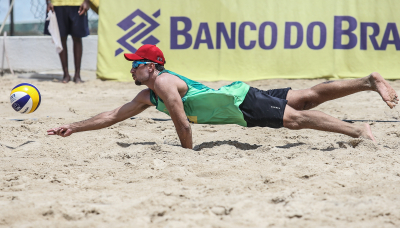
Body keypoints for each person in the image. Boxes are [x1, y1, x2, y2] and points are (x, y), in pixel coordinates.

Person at [47, 44, 399, 149]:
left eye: (135, 65)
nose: (131, 69)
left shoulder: (164, 85)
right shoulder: (145, 95)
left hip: (239, 104)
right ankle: (368, 81)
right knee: (305, 97)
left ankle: (357, 130)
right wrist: (74, 127)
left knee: (293, 119)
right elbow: (111, 115)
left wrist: (187, 154)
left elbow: (183, 125)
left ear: (151, 67)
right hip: (238, 94)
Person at [44, 0, 90, 83]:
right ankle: (66, 75)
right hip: (57, 4)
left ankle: (77, 75)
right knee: (61, 38)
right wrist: (48, 2)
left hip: (78, 3)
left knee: (77, 37)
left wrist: (87, 1)